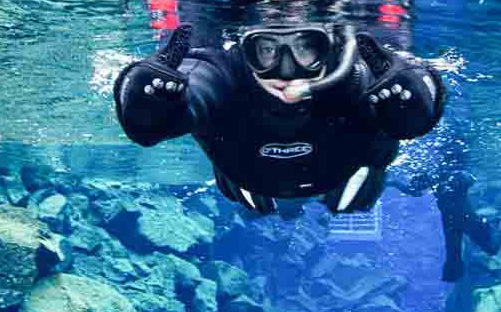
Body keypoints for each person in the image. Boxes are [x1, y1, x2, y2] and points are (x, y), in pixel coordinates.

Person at [113, 21, 446, 217]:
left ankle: (369, 168)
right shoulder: (224, 72)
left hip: (338, 167)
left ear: (329, 47)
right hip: (244, 173)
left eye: (306, 48)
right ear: (245, 49)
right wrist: (150, 107)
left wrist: (415, 102)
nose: (287, 71)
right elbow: (192, 91)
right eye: (267, 50)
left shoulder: (354, 75)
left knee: (380, 144)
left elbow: (414, 109)